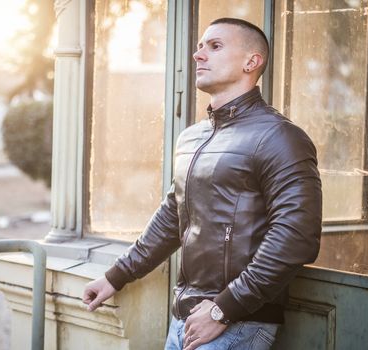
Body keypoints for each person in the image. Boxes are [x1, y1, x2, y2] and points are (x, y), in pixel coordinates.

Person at [83, 17, 322, 350]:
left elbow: (296, 237)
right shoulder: (192, 138)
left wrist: (224, 309)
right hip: (186, 320)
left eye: (215, 46)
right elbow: (171, 218)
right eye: (199, 47)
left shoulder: (280, 137)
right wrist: (116, 276)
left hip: (237, 323)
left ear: (251, 62)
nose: (198, 55)